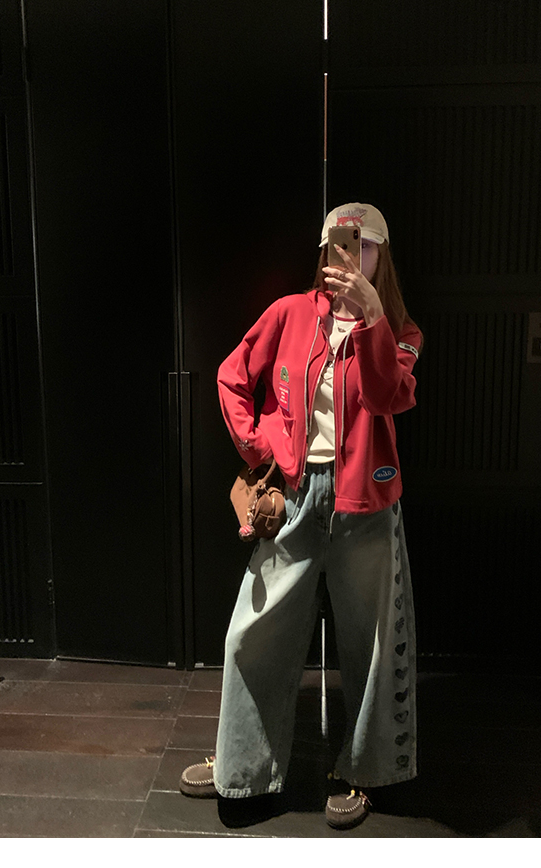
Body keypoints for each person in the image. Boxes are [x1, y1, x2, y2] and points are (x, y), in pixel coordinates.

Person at [180, 202, 423, 830]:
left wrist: (372, 316)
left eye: (365, 244)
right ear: (323, 250)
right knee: (252, 633)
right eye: (341, 243)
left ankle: (367, 769)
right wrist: (260, 448)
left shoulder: (401, 332)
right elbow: (232, 376)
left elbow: (386, 395)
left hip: (367, 503)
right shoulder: (290, 313)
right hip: (294, 495)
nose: (351, 255)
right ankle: (243, 764)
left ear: (381, 255)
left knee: (373, 641)